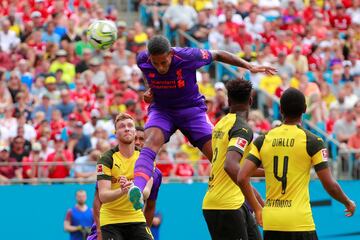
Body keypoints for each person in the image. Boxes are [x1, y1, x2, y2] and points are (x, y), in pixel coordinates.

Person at [129, 35, 276, 209]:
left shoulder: (188, 56)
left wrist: (249, 66)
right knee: (149, 143)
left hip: (192, 111)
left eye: (164, 63)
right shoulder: (142, 59)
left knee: (222, 161)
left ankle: (257, 205)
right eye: (156, 63)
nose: (160, 67)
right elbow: (151, 77)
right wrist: (151, 91)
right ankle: (136, 190)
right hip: (163, 110)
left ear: (170, 54)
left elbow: (219, 54)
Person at [237, 88, 356, 240]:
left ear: (280, 110)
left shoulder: (263, 139)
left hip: (272, 222)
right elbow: (329, 184)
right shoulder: (312, 141)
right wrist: (347, 202)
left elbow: (242, 176)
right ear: (305, 110)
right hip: (299, 222)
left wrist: (257, 208)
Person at [202, 79, 262, 240]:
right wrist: (256, 206)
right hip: (225, 206)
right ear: (251, 100)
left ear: (229, 101)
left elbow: (238, 168)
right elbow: (230, 166)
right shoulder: (242, 129)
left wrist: (269, 172)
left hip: (232, 201)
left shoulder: (221, 124)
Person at [93, 113, 161, 240]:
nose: (127, 128)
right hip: (111, 220)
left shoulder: (146, 158)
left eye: (130, 125)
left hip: (136, 218)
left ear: (135, 132)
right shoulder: (107, 158)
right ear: (116, 133)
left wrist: (133, 188)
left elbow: (146, 193)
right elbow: (103, 196)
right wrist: (122, 190)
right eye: (122, 126)